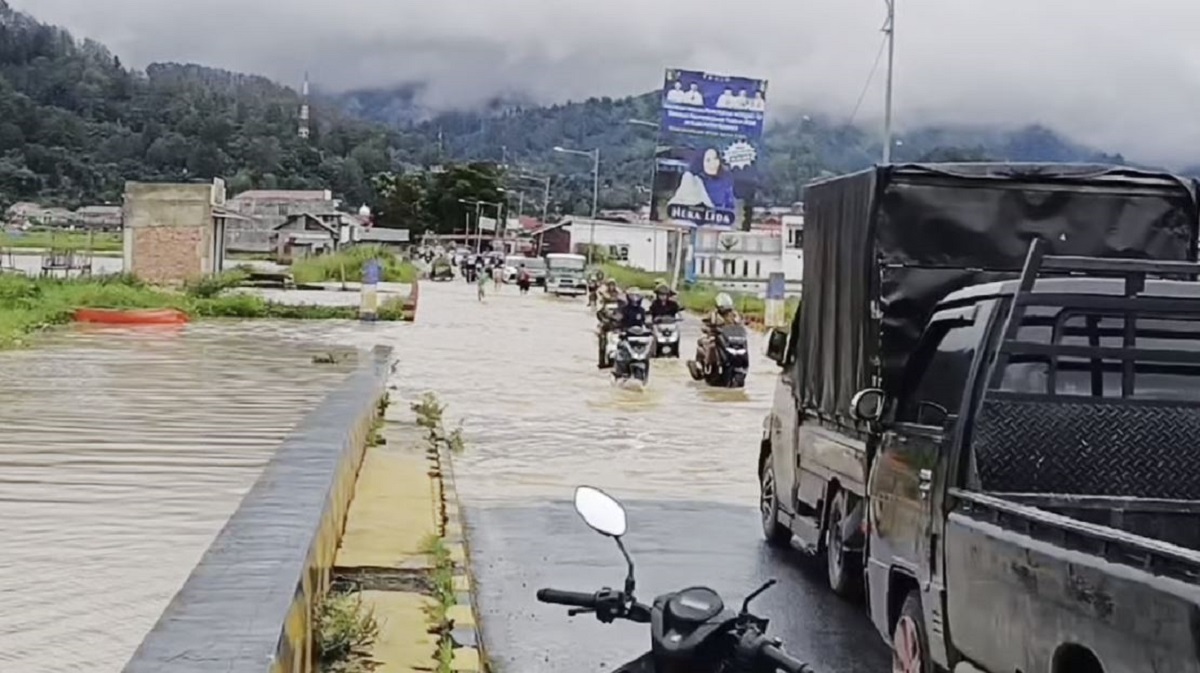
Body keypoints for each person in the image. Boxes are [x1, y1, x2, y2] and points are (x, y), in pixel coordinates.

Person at [667, 147, 738, 214]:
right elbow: (678, 204)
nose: (713, 163)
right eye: (708, 160)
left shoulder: (726, 180)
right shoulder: (692, 180)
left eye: (715, 158)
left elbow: (730, 207)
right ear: (701, 163)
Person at [696, 292, 742, 369]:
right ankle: (705, 364)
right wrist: (708, 329)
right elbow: (704, 324)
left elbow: (740, 324)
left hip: (729, 337)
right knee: (710, 345)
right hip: (715, 336)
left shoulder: (734, 314)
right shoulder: (713, 314)